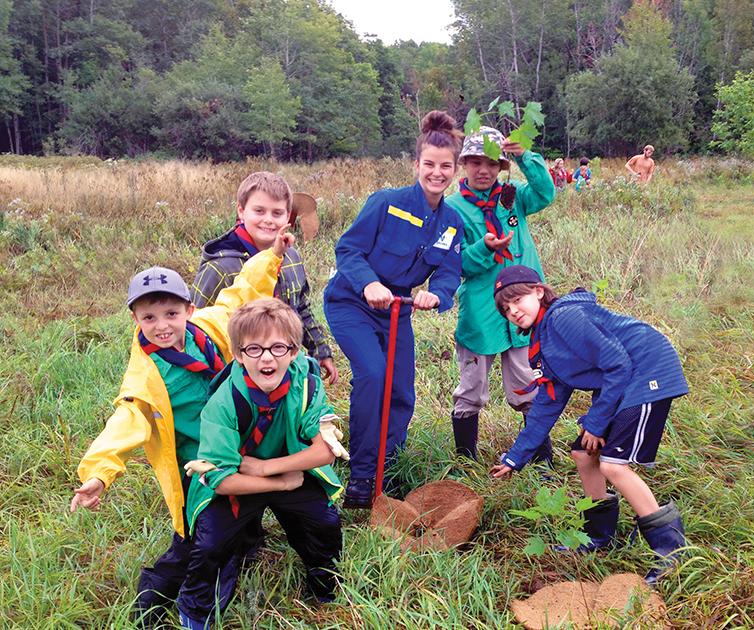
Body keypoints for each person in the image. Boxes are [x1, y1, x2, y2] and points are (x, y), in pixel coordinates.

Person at [70, 229, 292, 627]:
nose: (162, 326)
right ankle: (152, 604)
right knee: (195, 539)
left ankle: (245, 547)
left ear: (189, 310)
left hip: (236, 445)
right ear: (134, 319)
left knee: (239, 515)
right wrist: (98, 474)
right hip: (196, 465)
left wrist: (272, 255)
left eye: (171, 314)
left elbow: (241, 293)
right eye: (149, 317)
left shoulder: (209, 330)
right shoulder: (146, 374)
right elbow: (126, 421)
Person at [489, 266, 689, 585]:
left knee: (613, 465)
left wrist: (596, 423)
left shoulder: (563, 319)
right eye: (505, 308)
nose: (512, 310)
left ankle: (671, 553)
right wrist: (515, 458)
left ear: (538, 292)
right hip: (622, 381)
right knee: (584, 454)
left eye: (517, 300)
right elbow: (548, 404)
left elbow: (619, 364)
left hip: (647, 372)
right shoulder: (543, 344)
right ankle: (599, 537)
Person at [323, 111, 465, 509]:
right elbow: (348, 250)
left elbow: (449, 270)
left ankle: (387, 466)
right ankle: (363, 477)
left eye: (445, 166)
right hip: (352, 301)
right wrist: (369, 283)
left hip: (398, 308)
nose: (437, 173)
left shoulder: (452, 222)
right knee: (373, 374)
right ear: (416, 164)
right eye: (429, 165)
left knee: (401, 391)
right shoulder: (385, 203)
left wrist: (436, 294)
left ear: (454, 170)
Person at [177, 298, 345, 629]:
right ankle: (196, 609)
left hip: (285, 469)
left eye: (278, 347)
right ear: (239, 355)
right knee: (210, 545)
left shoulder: (307, 382)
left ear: (294, 351)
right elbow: (222, 480)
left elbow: (325, 450)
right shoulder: (223, 403)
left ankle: (326, 587)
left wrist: (265, 467)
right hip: (240, 481)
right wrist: (279, 483)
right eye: (254, 349)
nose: (267, 357)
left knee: (324, 523)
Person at [447, 125, 556, 464]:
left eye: (492, 163)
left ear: (501, 167)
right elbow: (455, 264)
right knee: (471, 390)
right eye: (476, 162)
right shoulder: (452, 209)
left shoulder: (515, 196)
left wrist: (525, 156)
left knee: (527, 386)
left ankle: (542, 462)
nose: (484, 170)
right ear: (464, 163)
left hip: (524, 311)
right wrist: (484, 248)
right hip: (482, 313)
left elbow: (546, 193)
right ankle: (466, 463)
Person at [190, 172, 338, 385]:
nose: (268, 220)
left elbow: (301, 308)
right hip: (234, 376)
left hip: (282, 367)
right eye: (259, 211)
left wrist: (320, 350)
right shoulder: (221, 267)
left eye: (277, 213)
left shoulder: (292, 258)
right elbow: (196, 325)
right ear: (241, 211)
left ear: (288, 216)